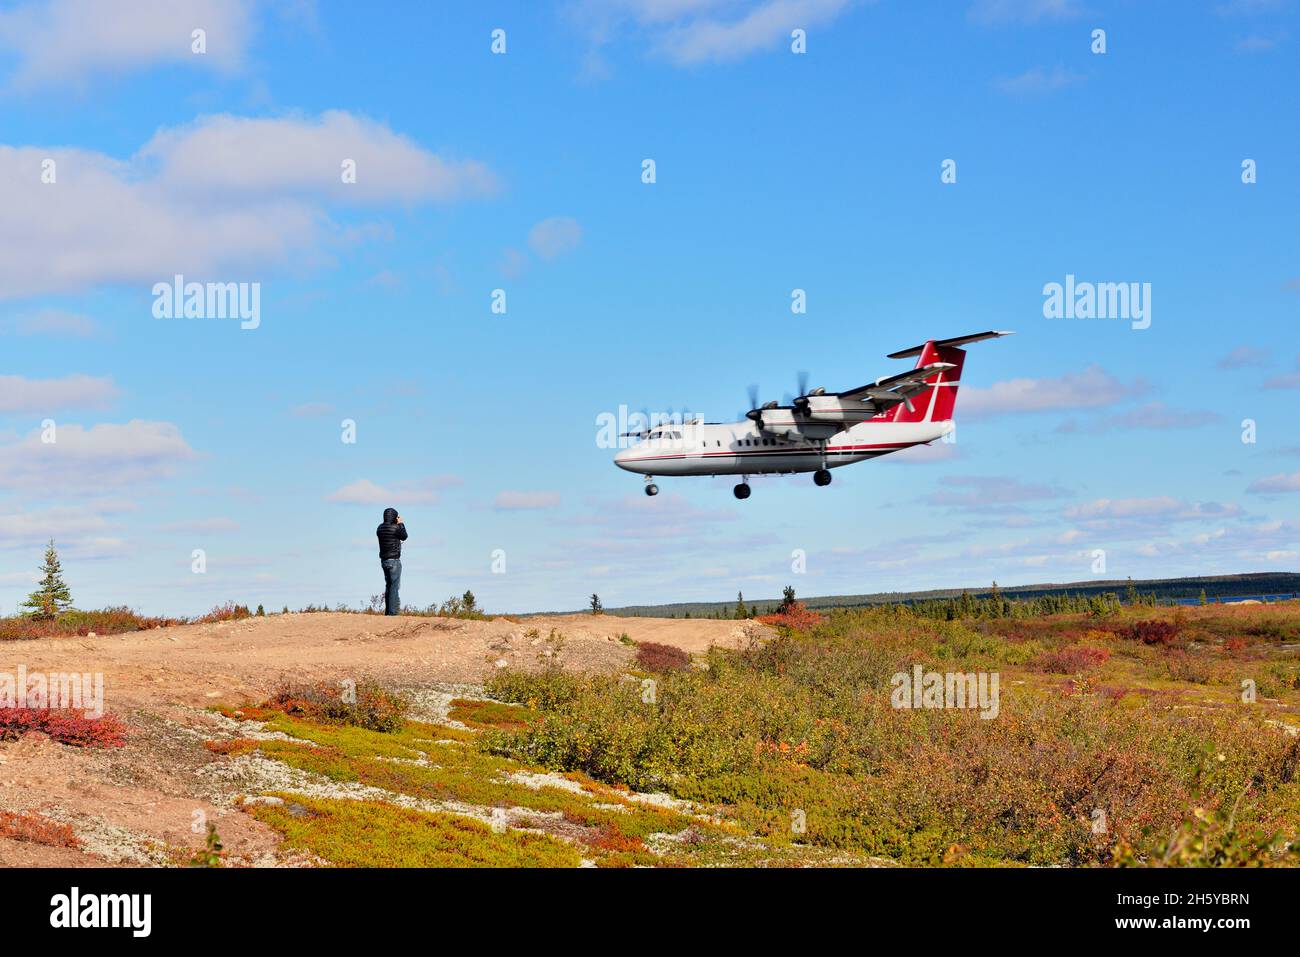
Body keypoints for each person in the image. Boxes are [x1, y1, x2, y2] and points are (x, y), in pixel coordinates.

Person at [376, 507, 407, 615]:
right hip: (394, 561)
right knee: (394, 586)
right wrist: (401, 523)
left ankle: (388, 612)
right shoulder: (396, 528)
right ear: (394, 516)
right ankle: (392, 613)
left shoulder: (379, 528)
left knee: (388, 585)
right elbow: (404, 536)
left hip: (384, 561)